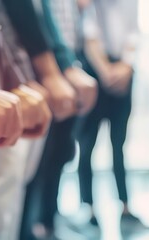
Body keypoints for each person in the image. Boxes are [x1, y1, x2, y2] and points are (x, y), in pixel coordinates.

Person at [18, 0, 99, 238]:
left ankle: (48, 219)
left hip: (68, 64)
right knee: (37, 160)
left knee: (61, 152)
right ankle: (34, 224)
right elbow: (38, 21)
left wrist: (69, 65)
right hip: (45, 70)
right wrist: (58, 70)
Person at [76, 0, 146, 229]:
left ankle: (125, 205)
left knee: (119, 144)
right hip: (94, 72)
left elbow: (133, 34)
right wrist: (106, 72)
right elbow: (89, 37)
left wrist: (126, 66)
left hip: (123, 72)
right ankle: (88, 207)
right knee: (88, 145)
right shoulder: (90, 5)